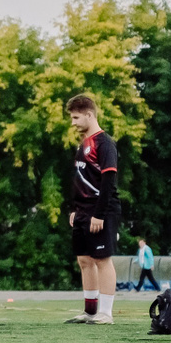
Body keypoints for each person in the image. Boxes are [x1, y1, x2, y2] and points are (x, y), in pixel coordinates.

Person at [64, 92, 121, 324]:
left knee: (102, 259)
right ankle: (90, 312)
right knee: (84, 260)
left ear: (89, 115)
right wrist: (74, 209)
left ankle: (106, 313)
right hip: (83, 210)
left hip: (100, 210)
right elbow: (81, 179)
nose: (73, 123)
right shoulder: (83, 144)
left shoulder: (104, 143)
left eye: (76, 118)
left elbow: (108, 182)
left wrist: (99, 214)